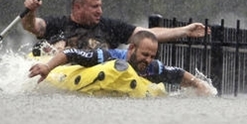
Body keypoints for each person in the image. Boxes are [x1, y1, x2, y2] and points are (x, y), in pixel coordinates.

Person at [21, 0, 210, 52]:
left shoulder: (110, 26)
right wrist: (30, 10)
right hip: (65, 73)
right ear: (78, 7)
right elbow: (32, 26)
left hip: (98, 74)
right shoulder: (57, 24)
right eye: (95, 7)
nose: (100, 11)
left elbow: (146, 34)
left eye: (101, 6)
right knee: (58, 45)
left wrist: (184, 30)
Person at [29, 30, 215, 96]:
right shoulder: (107, 56)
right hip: (82, 76)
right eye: (144, 54)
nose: (148, 60)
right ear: (131, 49)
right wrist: (47, 67)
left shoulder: (152, 67)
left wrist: (199, 84)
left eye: (152, 56)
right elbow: (71, 53)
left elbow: (178, 73)